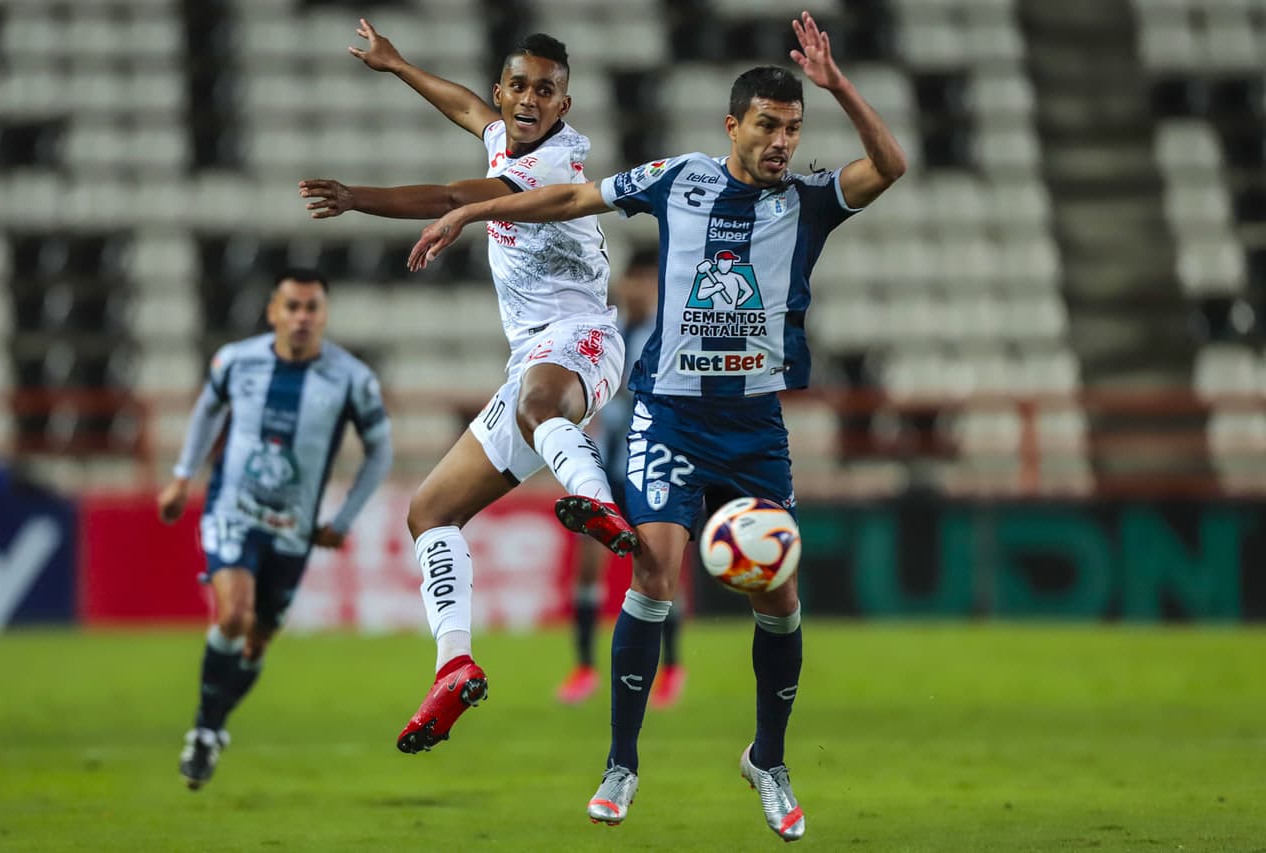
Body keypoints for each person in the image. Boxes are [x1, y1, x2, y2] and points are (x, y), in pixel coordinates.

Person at [406, 11, 906, 841]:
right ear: (734, 126)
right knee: (654, 572)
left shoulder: (811, 201)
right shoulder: (679, 178)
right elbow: (573, 195)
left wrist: (841, 88)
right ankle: (621, 763)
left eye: (795, 127)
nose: (784, 141)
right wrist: (471, 212)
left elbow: (890, 167)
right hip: (668, 415)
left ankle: (769, 760)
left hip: (754, 428)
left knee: (777, 593)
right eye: (770, 126)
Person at [298, 21, 637, 755]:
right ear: (503, 89)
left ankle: (598, 504)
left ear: (564, 104)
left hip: (583, 338)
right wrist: (396, 65)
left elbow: (455, 191)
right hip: (530, 360)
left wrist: (358, 196)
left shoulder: (553, 165)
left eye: (545, 90)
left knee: (540, 402)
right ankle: (453, 663)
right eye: (518, 85)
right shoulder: (500, 133)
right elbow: (461, 109)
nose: (528, 99)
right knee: (429, 512)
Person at [157, 269, 393, 790]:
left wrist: (345, 518)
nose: (302, 317)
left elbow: (381, 450)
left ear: (324, 315)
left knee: (259, 640)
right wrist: (180, 478)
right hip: (232, 512)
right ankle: (203, 730)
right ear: (273, 312)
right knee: (235, 615)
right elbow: (206, 412)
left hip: (293, 529)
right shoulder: (236, 361)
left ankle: (211, 727)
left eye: (312, 308)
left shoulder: (352, 378)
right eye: (292, 307)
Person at [555, 247, 686, 709]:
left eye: (646, 284)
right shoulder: (607, 334)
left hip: (650, 465)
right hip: (607, 465)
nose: (637, 292)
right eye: (633, 283)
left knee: (658, 570)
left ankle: (671, 669)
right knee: (588, 565)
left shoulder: (665, 337)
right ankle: (584, 667)